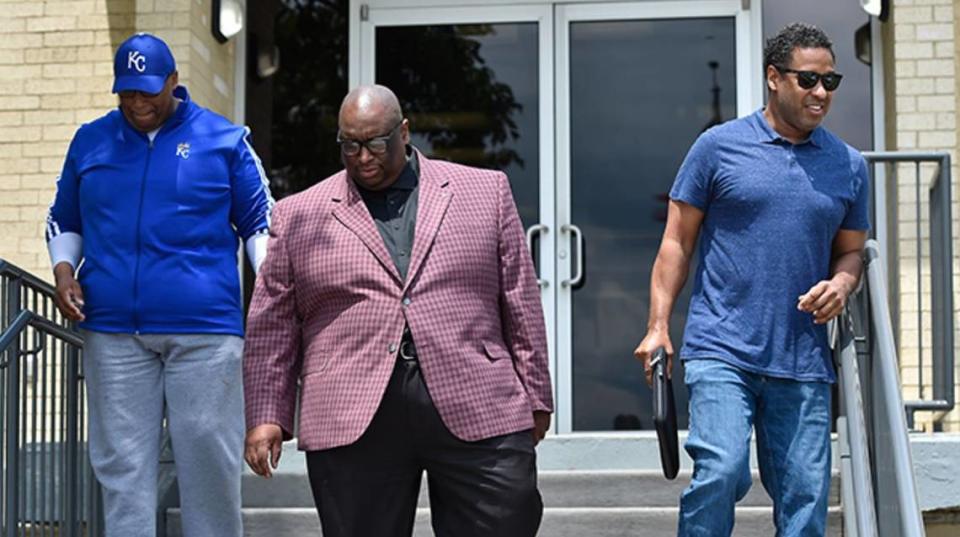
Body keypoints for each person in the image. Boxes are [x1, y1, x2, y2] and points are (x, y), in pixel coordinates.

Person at [243, 84, 553, 537]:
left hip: (475, 394)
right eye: (350, 145)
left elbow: (519, 299)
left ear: (404, 132)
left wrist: (536, 393)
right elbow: (272, 323)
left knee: (507, 520)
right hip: (352, 409)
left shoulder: (486, 192)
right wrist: (267, 414)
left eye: (376, 142)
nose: (363, 156)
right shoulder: (298, 214)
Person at [633, 23, 869, 536]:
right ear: (773, 77)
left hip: (803, 359)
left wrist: (842, 284)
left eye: (831, 83)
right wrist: (658, 325)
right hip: (722, 348)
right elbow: (676, 241)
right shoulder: (718, 148)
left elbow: (851, 254)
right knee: (720, 473)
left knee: (805, 501)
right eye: (808, 80)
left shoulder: (849, 166)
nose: (820, 93)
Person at [45, 33, 274, 537]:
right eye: (127, 92)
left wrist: (272, 297)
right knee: (122, 466)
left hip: (205, 334)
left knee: (207, 464)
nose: (137, 102)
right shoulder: (91, 141)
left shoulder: (225, 139)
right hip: (112, 332)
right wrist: (64, 272)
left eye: (148, 91)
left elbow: (260, 224)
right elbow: (63, 219)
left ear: (174, 82)